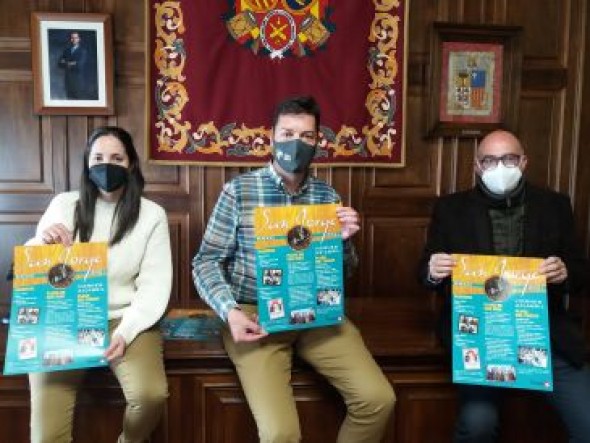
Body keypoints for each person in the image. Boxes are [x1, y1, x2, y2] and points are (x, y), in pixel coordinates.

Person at [192, 96, 395, 443]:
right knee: (280, 435)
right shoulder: (238, 191)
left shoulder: (327, 197)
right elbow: (206, 261)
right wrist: (231, 313)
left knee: (378, 400)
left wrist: (344, 241)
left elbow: (343, 274)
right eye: (287, 133)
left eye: (307, 136)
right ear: (271, 137)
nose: (295, 143)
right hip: (256, 316)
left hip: (315, 312)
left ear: (317, 142)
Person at [418, 130, 590, 442]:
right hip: (480, 335)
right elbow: (423, 275)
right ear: (477, 166)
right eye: (490, 160)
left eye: (509, 158)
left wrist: (565, 273)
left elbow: (581, 272)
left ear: (524, 162)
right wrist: (433, 271)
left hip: (543, 333)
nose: (500, 167)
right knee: (478, 424)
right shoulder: (451, 208)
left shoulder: (555, 205)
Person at [27, 126, 172, 443]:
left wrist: (125, 332)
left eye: (117, 158)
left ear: (131, 164)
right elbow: (34, 269)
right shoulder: (64, 205)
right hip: (64, 319)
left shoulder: (152, 215)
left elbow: (154, 285)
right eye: (98, 157)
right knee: (46, 435)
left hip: (123, 318)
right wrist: (42, 242)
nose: (107, 165)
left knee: (151, 396)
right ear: (87, 164)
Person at [57, 31, 88, 99]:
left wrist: (66, 62)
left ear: (79, 39)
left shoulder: (83, 51)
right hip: (68, 80)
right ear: (71, 39)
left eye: (76, 38)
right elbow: (59, 64)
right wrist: (72, 63)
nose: (74, 39)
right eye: (72, 38)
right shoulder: (66, 51)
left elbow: (80, 65)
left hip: (78, 81)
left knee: (78, 101)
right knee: (69, 100)